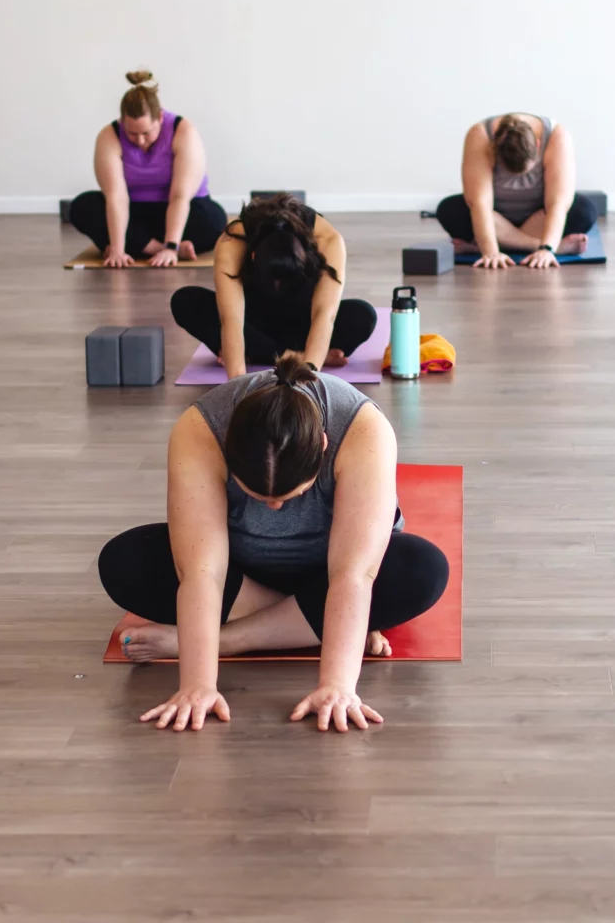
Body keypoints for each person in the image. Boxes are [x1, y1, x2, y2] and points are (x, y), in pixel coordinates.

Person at [98, 356, 449, 733]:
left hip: (328, 576)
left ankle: (227, 640)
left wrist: (337, 686)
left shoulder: (363, 429)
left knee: (422, 569)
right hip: (244, 574)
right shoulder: (200, 429)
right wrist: (197, 685)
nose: (276, 508)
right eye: (258, 496)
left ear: (324, 446)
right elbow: (201, 571)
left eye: (290, 494)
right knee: (125, 562)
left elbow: (354, 574)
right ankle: (327, 626)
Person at [171, 192, 376, 373]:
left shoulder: (328, 240)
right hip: (252, 322)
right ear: (253, 256)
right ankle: (293, 355)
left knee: (363, 316)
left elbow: (325, 314)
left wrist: (309, 372)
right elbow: (231, 319)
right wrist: (237, 384)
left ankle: (263, 354)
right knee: (185, 301)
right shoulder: (232, 240)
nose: (277, 289)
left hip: (303, 322)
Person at [69, 70, 227, 268]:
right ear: (123, 122)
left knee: (215, 221)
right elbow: (116, 196)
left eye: (146, 132)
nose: (140, 140)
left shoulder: (183, 131)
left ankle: (146, 246)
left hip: (180, 209)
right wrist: (118, 250)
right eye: (132, 133)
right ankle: (155, 248)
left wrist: (171, 245)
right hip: (134, 213)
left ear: (160, 118)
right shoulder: (109, 136)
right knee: (83, 207)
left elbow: (180, 196)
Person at [436, 113, 598, 270]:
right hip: (496, 218)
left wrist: (547, 250)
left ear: (537, 144)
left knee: (584, 211)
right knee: (450, 210)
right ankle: (543, 246)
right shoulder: (480, 135)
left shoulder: (556, 136)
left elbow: (558, 204)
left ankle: (487, 245)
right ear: (493, 150)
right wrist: (490, 252)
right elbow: (480, 203)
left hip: (538, 217)